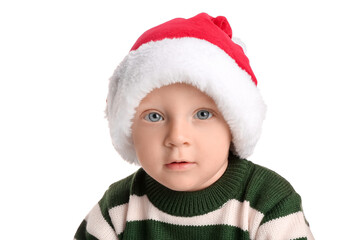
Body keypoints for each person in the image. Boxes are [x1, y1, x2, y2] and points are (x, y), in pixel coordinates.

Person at [74, 13, 314, 240]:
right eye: (154, 117)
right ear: (127, 128)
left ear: (234, 126)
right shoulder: (118, 209)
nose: (177, 137)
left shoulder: (268, 203)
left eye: (203, 114)